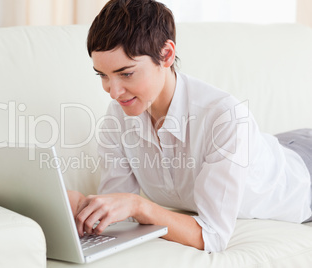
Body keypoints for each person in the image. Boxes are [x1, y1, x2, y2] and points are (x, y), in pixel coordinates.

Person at [67, 0, 312, 252]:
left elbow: (213, 236)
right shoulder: (117, 118)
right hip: (275, 145)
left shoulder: (224, 117)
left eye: (126, 73)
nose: (113, 91)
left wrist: (139, 205)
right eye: (103, 75)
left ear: (166, 55)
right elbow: (118, 209)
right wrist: (83, 207)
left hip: (302, 174)